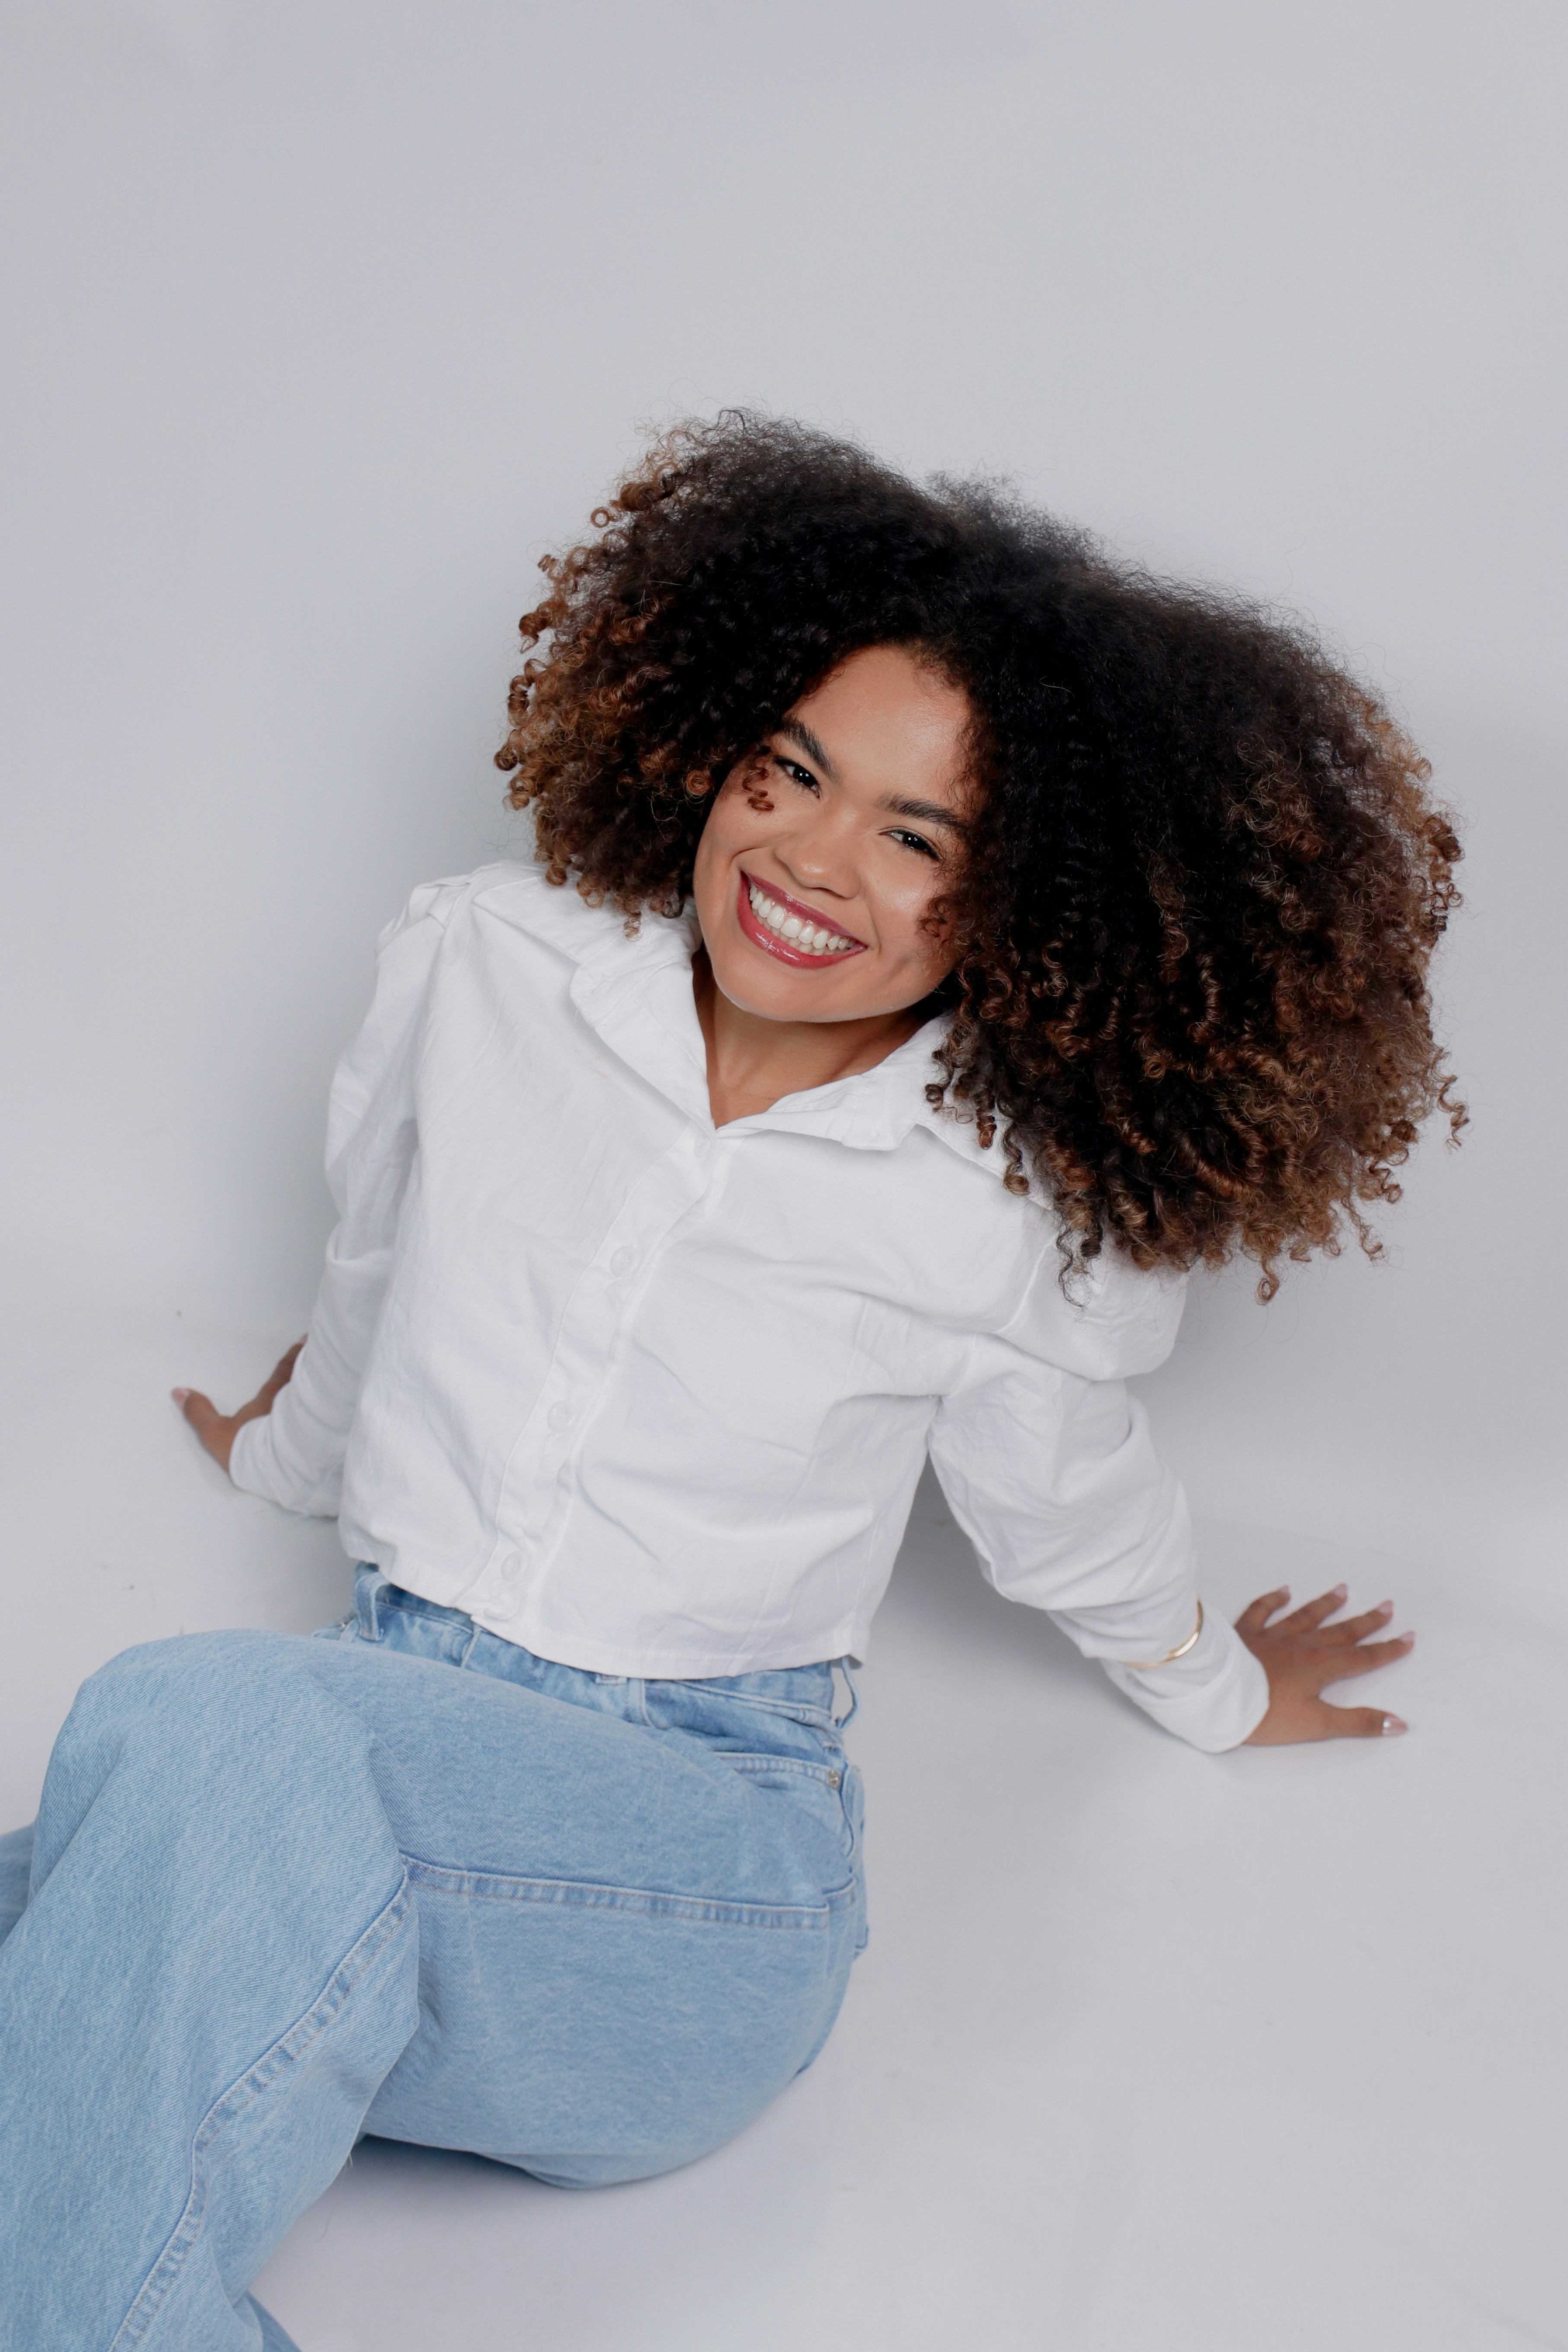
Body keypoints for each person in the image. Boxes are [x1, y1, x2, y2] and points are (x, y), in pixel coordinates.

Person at [0, 415, 1461, 2352]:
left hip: (683, 1875)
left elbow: (1065, 1497)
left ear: (1016, 909)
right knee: (131, 1819)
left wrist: (1211, 1681)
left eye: (916, 834)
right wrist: (290, 1447)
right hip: (362, 1758)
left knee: (192, 1729)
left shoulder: (995, 1209)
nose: (810, 857)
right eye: (794, 769)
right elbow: (374, 1251)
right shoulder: (487, 964)